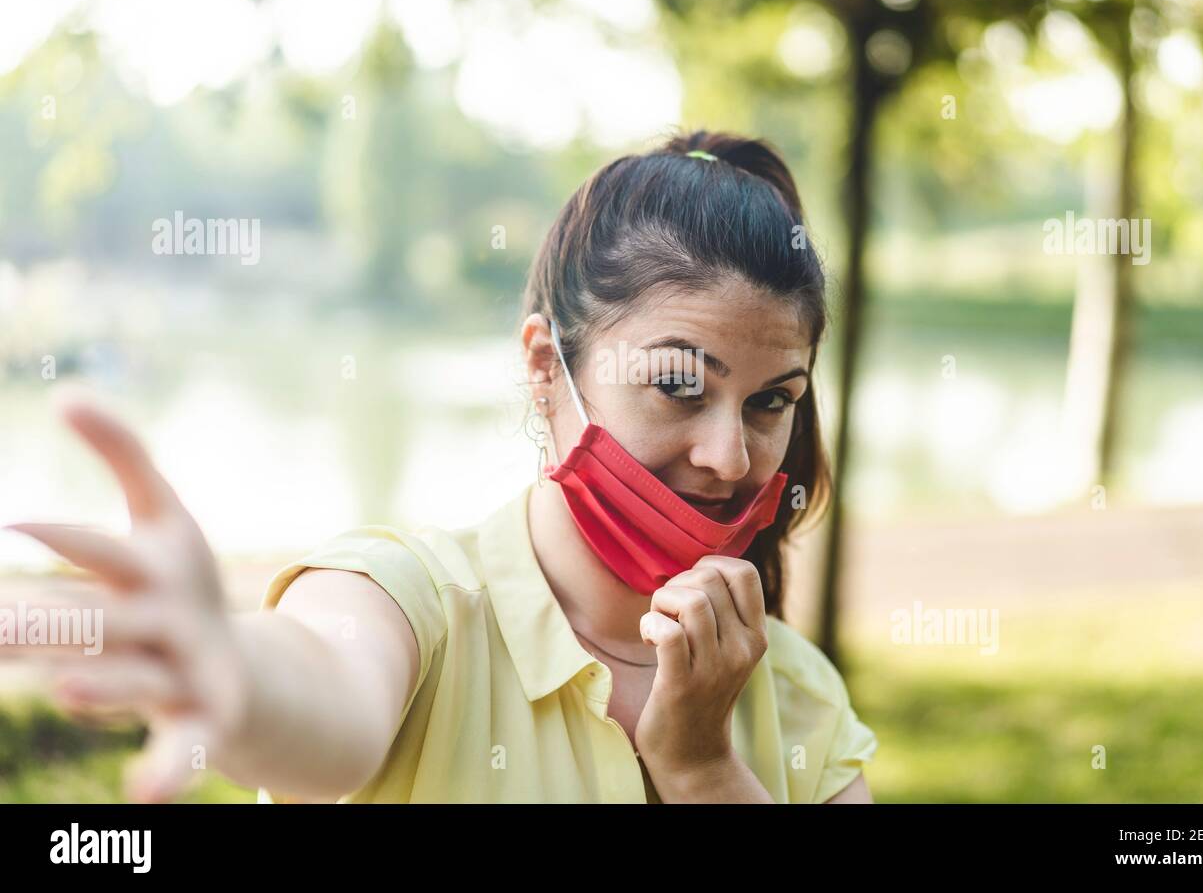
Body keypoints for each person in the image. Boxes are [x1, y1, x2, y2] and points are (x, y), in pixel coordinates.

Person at [2, 129, 877, 803]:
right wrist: (233, 669)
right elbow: (325, 691)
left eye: (772, 401)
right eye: (678, 384)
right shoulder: (407, 604)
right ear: (545, 368)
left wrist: (704, 773)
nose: (730, 457)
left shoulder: (798, 693)